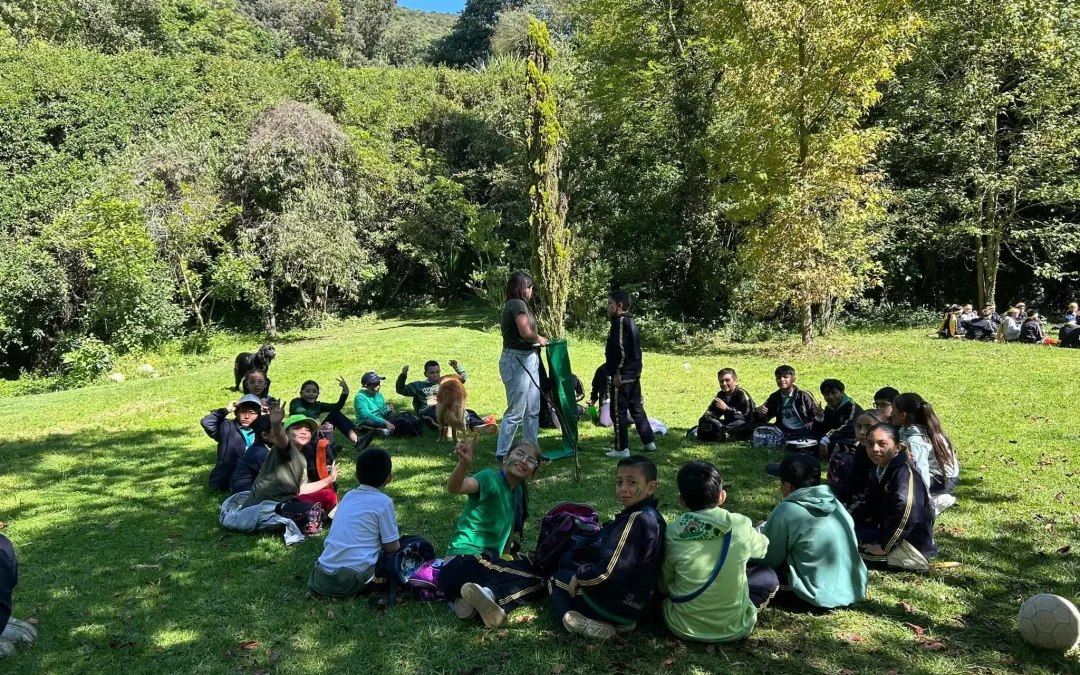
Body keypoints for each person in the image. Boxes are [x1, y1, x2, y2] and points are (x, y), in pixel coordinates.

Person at [660, 461, 777, 643]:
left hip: (682, 626)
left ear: (681, 501)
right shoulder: (741, 525)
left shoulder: (673, 531)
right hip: (736, 628)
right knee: (768, 576)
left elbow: (665, 582)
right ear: (722, 496)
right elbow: (762, 549)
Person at [550, 456, 666, 640]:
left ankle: (583, 623)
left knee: (556, 579)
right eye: (619, 482)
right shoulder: (655, 518)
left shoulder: (636, 519)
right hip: (636, 604)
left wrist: (581, 575)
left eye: (632, 482)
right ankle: (618, 624)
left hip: (614, 603)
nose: (623, 488)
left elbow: (608, 571)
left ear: (651, 487)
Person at [439, 434, 545, 628]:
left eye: (530, 460)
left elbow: (508, 529)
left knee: (535, 573)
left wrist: (506, 559)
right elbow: (456, 487)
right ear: (505, 458)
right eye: (519, 454)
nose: (523, 460)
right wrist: (463, 465)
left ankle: (468, 601)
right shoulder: (489, 478)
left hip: (479, 567)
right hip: (466, 560)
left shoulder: (518, 491)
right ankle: (490, 594)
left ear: (533, 473)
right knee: (539, 579)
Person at [753, 454, 867, 610]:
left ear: (787, 486)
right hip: (854, 588)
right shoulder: (836, 504)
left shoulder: (786, 510)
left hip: (815, 595)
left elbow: (768, 559)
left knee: (752, 570)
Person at [309, 448, 400, 597]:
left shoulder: (348, 496)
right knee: (398, 552)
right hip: (351, 580)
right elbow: (392, 547)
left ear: (356, 476)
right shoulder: (384, 502)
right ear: (389, 477)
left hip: (320, 576)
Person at [245, 404, 341, 535]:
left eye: (307, 430)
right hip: (267, 504)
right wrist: (276, 424)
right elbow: (281, 439)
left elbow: (302, 488)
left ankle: (301, 515)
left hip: (287, 500)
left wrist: (329, 479)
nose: (303, 431)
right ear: (287, 433)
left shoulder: (301, 457)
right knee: (310, 508)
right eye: (297, 428)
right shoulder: (285, 448)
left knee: (329, 495)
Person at [853, 424, 936, 571]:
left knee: (847, 551)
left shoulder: (904, 472)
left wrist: (885, 547)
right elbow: (870, 505)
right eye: (870, 444)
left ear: (897, 447)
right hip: (883, 529)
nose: (875, 449)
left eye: (882, 444)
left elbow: (906, 513)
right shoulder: (879, 469)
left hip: (909, 542)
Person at [496, 272, 547, 462]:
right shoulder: (516, 304)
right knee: (516, 410)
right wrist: (540, 338)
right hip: (516, 360)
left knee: (533, 408)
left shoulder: (520, 305)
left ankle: (531, 448)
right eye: (530, 287)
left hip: (529, 358)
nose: (531, 291)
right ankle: (502, 453)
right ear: (522, 287)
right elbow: (526, 333)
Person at [603, 291, 657, 459]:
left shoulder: (620, 323)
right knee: (636, 407)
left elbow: (621, 350)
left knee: (617, 412)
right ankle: (649, 442)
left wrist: (618, 371)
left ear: (619, 306)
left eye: (610, 303)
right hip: (633, 374)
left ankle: (621, 449)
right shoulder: (629, 322)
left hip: (624, 375)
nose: (607, 307)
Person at [892, 393, 959, 515]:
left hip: (943, 479)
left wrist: (923, 500)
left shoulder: (916, 441)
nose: (891, 413)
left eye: (893, 409)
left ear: (902, 415)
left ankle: (935, 502)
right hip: (941, 475)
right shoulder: (907, 429)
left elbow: (921, 471)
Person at [396, 360, 496, 433]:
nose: (435, 375)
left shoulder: (445, 381)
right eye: (431, 373)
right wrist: (403, 376)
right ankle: (447, 428)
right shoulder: (419, 386)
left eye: (437, 372)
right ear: (425, 374)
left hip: (446, 406)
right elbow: (401, 389)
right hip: (429, 409)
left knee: (468, 411)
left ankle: (479, 426)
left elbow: (463, 379)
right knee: (435, 414)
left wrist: (457, 367)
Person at [828, 409, 889, 507]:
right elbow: (853, 480)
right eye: (858, 426)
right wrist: (836, 499)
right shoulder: (861, 448)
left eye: (868, 427)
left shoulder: (889, 454)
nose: (861, 432)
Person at [203, 393, 263, 492]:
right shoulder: (226, 427)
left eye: (252, 413)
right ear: (236, 413)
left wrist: (270, 417)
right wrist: (226, 410)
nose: (247, 416)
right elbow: (207, 422)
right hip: (225, 479)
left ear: (258, 415)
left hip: (254, 477)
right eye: (243, 412)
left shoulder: (263, 430)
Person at [289, 377, 363, 448]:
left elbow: (337, 407)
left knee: (336, 414)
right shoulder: (295, 402)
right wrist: (315, 419)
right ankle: (329, 446)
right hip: (300, 434)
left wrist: (345, 392)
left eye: (314, 392)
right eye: (307, 391)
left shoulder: (318, 405)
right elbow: (300, 410)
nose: (311, 394)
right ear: (301, 393)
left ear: (318, 394)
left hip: (315, 432)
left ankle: (357, 441)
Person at [687, 368, 755, 442]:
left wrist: (727, 409)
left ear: (735, 382)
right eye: (721, 381)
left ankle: (720, 433)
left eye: (727, 380)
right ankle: (714, 432)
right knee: (706, 422)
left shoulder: (742, 395)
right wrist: (707, 419)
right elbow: (711, 411)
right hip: (727, 423)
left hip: (742, 424)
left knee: (740, 423)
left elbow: (747, 417)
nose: (724, 384)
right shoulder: (721, 395)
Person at [754, 365, 820, 441]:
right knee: (758, 428)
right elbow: (766, 416)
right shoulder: (775, 397)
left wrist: (812, 422)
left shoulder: (803, 395)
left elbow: (818, 414)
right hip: (783, 429)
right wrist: (758, 411)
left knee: (814, 434)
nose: (781, 380)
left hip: (803, 428)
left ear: (793, 379)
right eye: (778, 378)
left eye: (785, 377)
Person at [356, 371, 419, 437]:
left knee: (404, 415)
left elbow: (382, 414)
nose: (378, 387)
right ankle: (372, 430)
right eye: (375, 384)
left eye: (379, 383)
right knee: (368, 422)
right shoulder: (360, 398)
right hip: (367, 421)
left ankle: (386, 431)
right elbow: (367, 415)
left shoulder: (379, 395)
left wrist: (387, 411)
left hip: (381, 420)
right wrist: (386, 422)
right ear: (366, 386)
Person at [813, 379, 863, 458]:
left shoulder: (852, 407)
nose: (830, 397)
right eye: (826, 394)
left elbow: (849, 427)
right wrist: (820, 418)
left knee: (836, 446)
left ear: (842, 392)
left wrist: (826, 439)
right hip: (835, 437)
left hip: (850, 438)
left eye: (834, 393)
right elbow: (824, 428)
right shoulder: (829, 408)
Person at [230, 414, 273, 494]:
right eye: (278, 429)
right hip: (245, 495)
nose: (282, 432)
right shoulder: (260, 453)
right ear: (265, 435)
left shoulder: (262, 447)